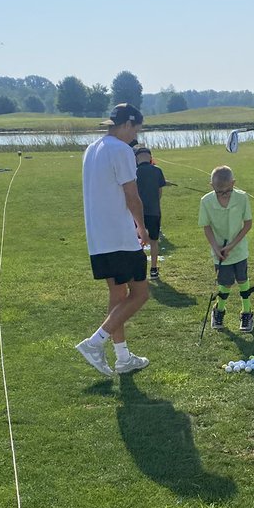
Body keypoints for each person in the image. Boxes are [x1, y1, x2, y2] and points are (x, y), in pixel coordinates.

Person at [75, 104, 151, 376]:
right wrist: (141, 227)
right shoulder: (121, 150)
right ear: (128, 125)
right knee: (141, 293)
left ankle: (122, 358)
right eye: (136, 131)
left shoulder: (91, 149)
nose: (136, 137)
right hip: (120, 236)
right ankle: (95, 342)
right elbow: (132, 195)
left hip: (99, 238)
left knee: (118, 295)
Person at [198, 165, 254, 332]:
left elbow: (248, 224)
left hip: (238, 249)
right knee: (226, 282)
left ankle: (247, 313)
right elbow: (206, 226)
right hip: (219, 252)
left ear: (233, 183)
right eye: (219, 192)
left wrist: (231, 245)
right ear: (212, 186)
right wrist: (215, 247)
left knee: (243, 280)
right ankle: (219, 310)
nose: (223, 195)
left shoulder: (242, 198)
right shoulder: (206, 201)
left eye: (227, 191)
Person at [133, 147, 169, 279]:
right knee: (154, 241)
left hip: (137, 213)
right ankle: (153, 269)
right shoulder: (157, 171)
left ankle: (139, 270)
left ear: (136, 159)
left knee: (138, 241)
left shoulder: (134, 172)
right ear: (150, 157)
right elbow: (159, 193)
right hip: (154, 211)